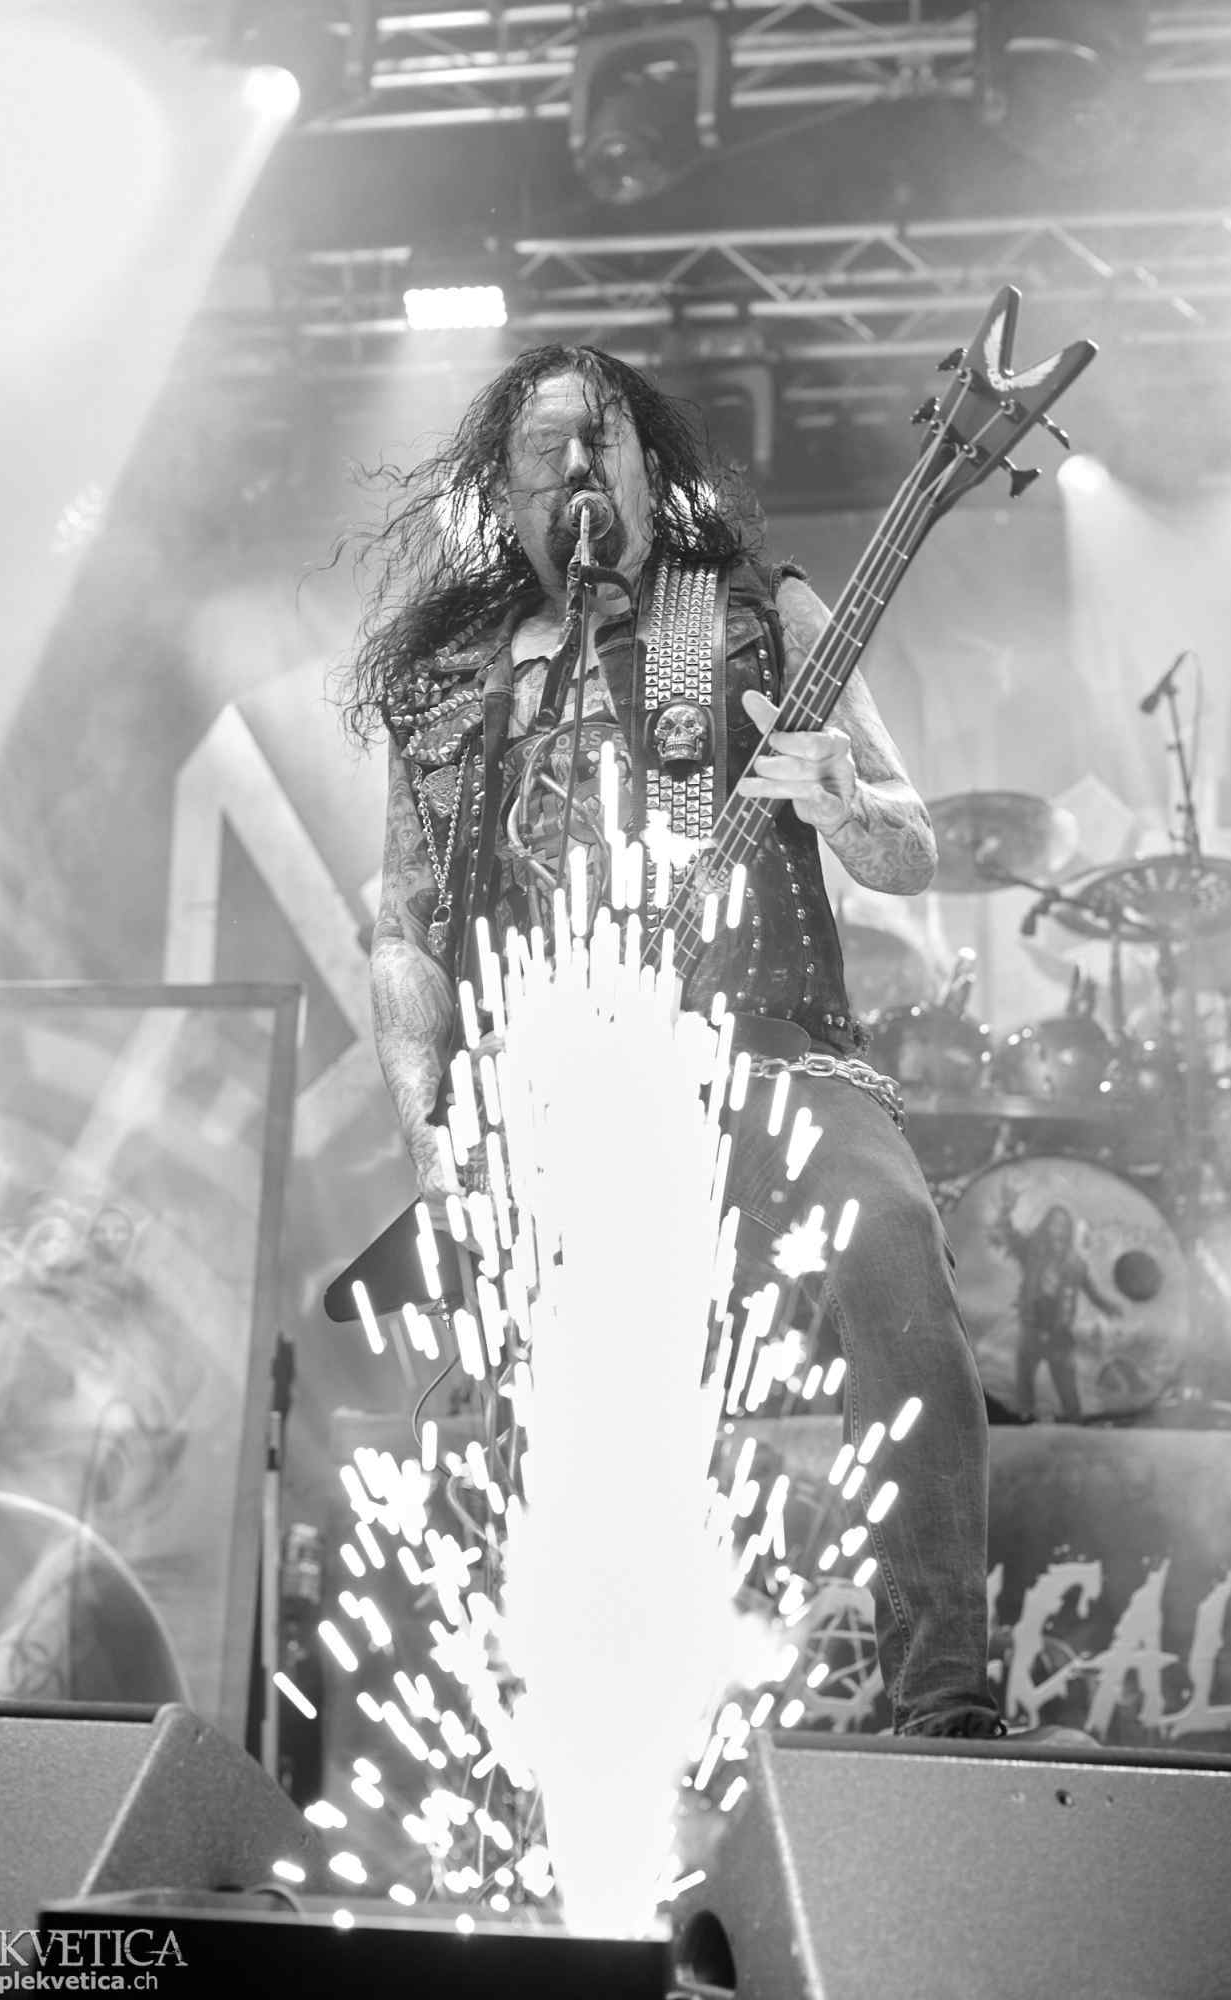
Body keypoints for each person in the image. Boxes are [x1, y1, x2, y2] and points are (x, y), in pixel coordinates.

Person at [346, 343, 1082, 1745]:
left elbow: (909, 844)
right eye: (546, 447)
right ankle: (576, 1741)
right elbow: (404, 929)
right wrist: (433, 1133)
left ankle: (938, 1696)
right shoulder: (444, 684)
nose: (579, 466)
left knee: (886, 1245)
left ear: (648, 462)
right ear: (501, 490)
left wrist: (839, 802)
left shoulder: (747, 611)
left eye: (605, 438)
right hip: (554, 1090)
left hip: (765, 1053)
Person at [991, 1195, 1123, 1421]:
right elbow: (1009, 1236)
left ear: (1068, 1229)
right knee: (1024, 1384)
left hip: (1059, 1332)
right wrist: (1006, 1209)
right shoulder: (1031, 1251)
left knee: (1067, 1388)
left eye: (1062, 1224)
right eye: (1053, 1223)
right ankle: (1024, 1420)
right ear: (1046, 1225)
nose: (1057, 1229)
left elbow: (1091, 1291)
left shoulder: (1075, 1263)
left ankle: (1073, 1423)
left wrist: (1109, 1307)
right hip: (1032, 1326)